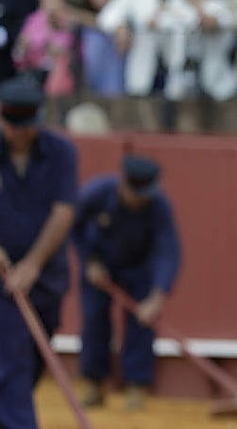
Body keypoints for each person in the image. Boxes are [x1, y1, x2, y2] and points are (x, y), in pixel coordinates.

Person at [0, 75, 78, 429]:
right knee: (9, 350)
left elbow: (63, 211)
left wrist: (32, 264)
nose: (20, 133)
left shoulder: (61, 152)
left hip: (46, 270)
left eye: (27, 125)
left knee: (34, 354)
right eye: (14, 125)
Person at [73, 155, 182, 411]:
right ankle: (94, 384)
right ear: (123, 184)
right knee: (94, 319)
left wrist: (157, 296)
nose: (141, 199)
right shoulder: (96, 193)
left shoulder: (159, 205)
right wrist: (88, 261)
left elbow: (169, 251)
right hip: (100, 264)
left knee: (142, 322)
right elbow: (72, 226)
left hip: (139, 267)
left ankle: (136, 385)